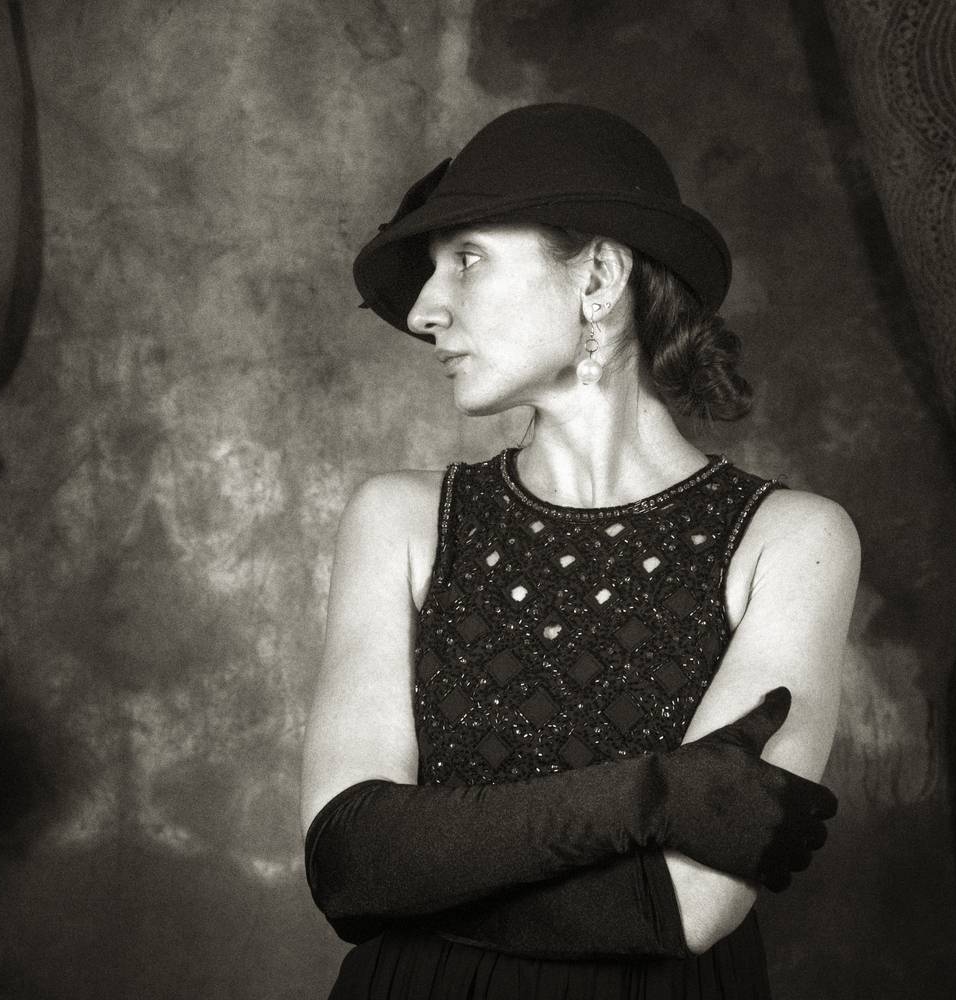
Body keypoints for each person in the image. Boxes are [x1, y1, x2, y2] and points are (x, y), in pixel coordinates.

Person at [299, 103, 860, 999]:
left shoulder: (793, 540)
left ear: (598, 276)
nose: (425, 310)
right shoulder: (397, 519)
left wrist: (423, 874)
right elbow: (350, 866)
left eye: (466, 259)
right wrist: (653, 795)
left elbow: (684, 907)